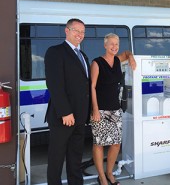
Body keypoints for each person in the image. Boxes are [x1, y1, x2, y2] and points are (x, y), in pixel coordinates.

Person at [44, 18, 90, 185]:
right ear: (67, 31)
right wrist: (65, 112)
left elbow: (85, 87)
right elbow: (55, 85)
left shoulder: (83, 55)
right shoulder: (55, 52)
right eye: (76, 30)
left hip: (80, 117)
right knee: (56, 158)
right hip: (62, 117)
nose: (80, 34)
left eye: (82, 32)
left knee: (75, 157)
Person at [90, 33, 136, 185]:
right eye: (111, 44)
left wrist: (131, 57)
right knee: (99, 143)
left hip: (115, 109)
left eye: (116, 44)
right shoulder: (97, 63)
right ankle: (101, 177)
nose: (114, 47)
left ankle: (109, 173)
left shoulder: (117, 60)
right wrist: (95, 110)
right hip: (101, 110)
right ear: (105, 45)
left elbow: (127, 52)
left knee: (116, 143)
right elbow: (92, 87)